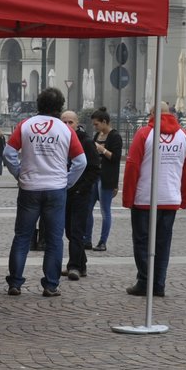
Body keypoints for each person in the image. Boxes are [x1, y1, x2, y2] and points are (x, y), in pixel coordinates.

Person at [2, 86, 84, 298]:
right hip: (56, 188)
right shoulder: (66, 130)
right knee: (55, 239)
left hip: (30, 187)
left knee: (22, 236)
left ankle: (15, 282)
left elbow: (8, 153)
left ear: (39, 104)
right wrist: (67, 181)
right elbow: (80, 162)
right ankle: (50, 284)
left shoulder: (25, 125)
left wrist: (18, 173)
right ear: (60, 107)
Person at [123, 103, 186, 298]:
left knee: (142, 242)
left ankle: (144, 281)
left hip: (144, 198)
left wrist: (128, 198)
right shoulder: (184, 136)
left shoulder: (144, 134)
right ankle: (159, 283)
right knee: (163, 244)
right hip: (170, 198)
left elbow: (132, 166)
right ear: (170, 114)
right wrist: (184, 198)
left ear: (152, 114)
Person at [61, 110, 101, 281]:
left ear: (77, 123)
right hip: (64, 191)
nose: (67, 126)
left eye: (70, 122)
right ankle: (81, 264)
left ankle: (75, 266)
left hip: (80, 193)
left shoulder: (85, 141)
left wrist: (81, 188)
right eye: (64, 122)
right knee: (69, 230)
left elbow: (94, 168)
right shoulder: (60, 139)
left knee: (77, 230)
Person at [88, 108, 122, 251]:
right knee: (87, 208)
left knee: (105, 211)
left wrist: (101, 149)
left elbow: (115, 158)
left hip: (107, 178)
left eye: (96, 124)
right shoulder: (97, 135)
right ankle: (86, 239)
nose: (94, 127)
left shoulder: (115, 136)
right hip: (94, 176)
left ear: (104, 122)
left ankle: (102, 241)